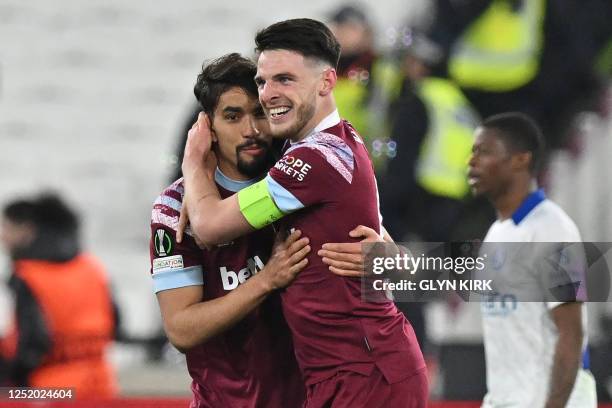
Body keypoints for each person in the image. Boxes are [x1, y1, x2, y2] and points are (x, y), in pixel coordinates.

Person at [180, 18, 427, 407]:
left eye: (285, 79)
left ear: (326, 82)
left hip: (364, 373)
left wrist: (193, 167)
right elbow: (386, 246)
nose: (268, 94)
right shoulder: (340, 140)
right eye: (262, 81)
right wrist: (393, 259)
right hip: (349, 370)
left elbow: (209, 227)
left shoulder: (314, 160)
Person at [150, 53, 311, 407]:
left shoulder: (303, 185)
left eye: (260, 113)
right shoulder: (174, 207)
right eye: (233, 116)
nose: (251, 130)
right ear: (206, 126)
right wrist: (267, 280)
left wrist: (383, 259)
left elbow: (384, 274)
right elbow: (181, 329)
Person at [467, 112, 597, 407]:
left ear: (520, 160)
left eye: (484, 152)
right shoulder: (497, 232)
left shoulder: (553, 230)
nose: (471, 163)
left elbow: (571, 334)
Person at [0, 193, 117, 397]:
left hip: (49, 392)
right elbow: (117, 322)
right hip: (101, 386)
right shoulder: (91, 267)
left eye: (7, 228)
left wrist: (9, 381)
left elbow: (32, 344)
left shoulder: (28, 275)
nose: (3, 236)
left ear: (27, 229)